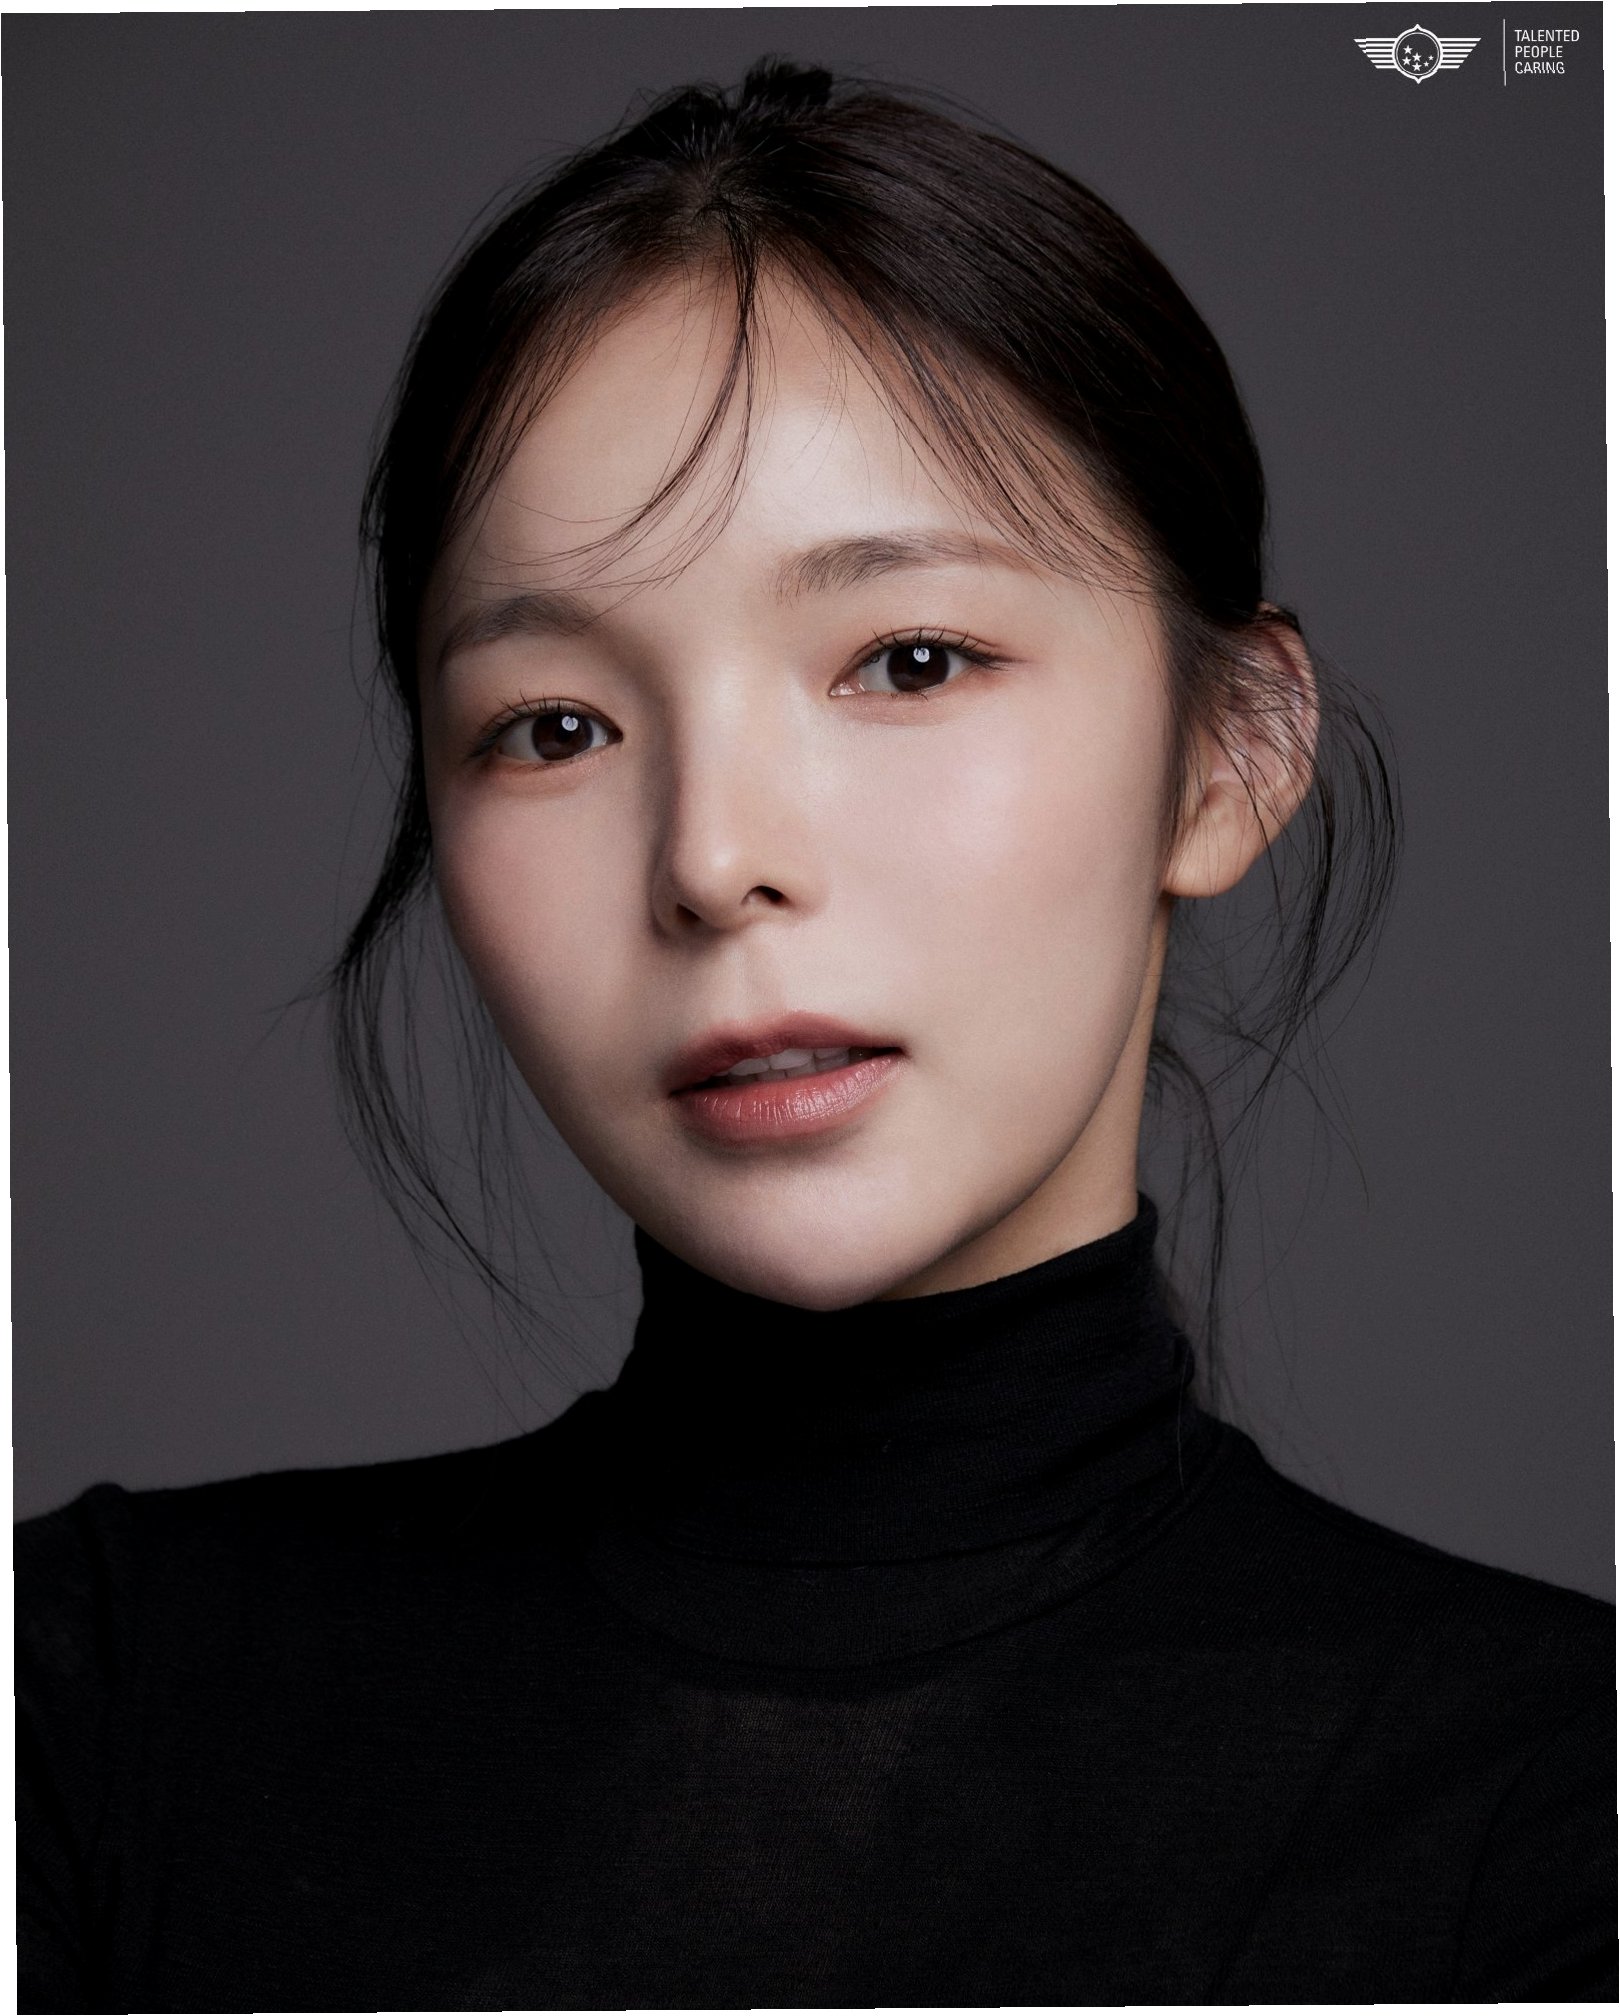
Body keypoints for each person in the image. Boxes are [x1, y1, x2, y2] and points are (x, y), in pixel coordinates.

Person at [16, 57, 1613, 2011]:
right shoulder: (88, 1712)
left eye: (909, 659)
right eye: (555, 726)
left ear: (1228, 756)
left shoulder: (1554, 1814)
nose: (714, 859)